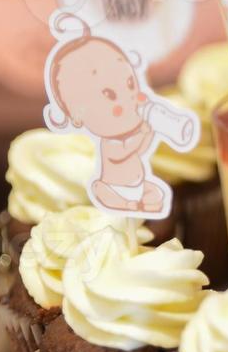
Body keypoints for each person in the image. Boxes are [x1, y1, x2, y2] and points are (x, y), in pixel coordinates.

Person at [42, 14, 195, 218]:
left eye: (130, 84)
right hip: (113, 189)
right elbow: (126, 151)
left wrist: (151, 131)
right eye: (109, 95)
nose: (129, 98)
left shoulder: (133, 128)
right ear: (78, 115)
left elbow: (141, 148)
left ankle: (139, 204)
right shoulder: (110, 143)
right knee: (103, 191)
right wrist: (144, 131)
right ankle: (129, 205)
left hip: (140, 184)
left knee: (156, 193)